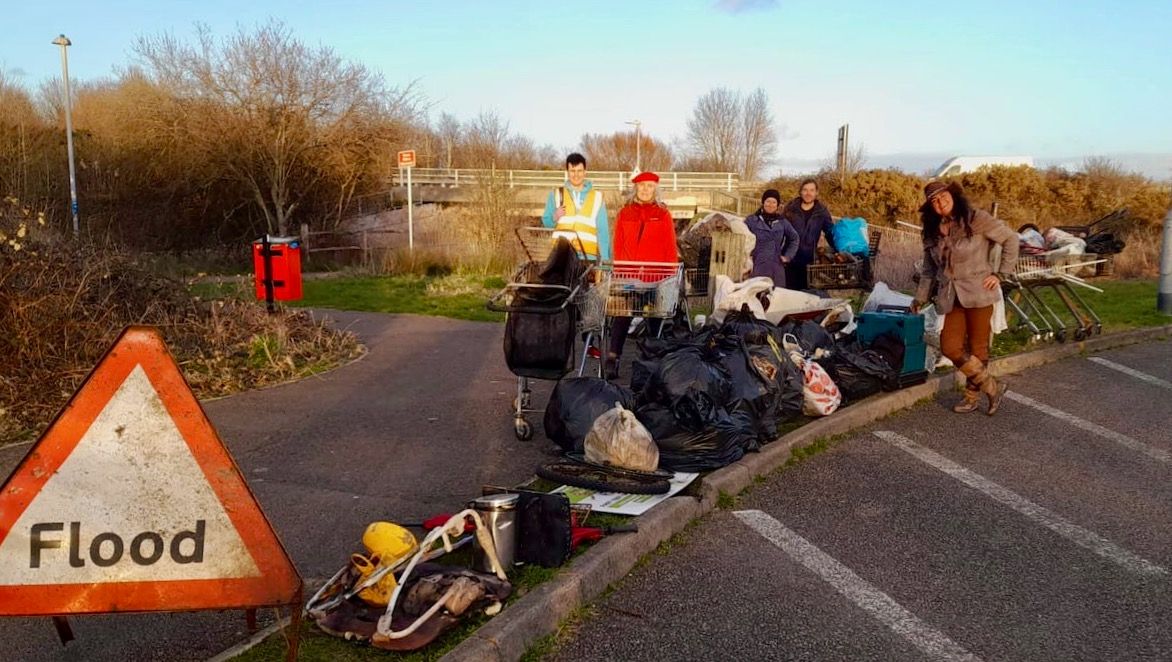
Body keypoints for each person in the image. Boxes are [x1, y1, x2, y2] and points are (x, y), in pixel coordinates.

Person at [912, 181, 1019, 414]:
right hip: (950, 296)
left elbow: (1011, 239)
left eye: (943, 196)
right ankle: (993, 387)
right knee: (950, 347)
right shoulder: (931, 231)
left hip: (980, 291)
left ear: (953, 195)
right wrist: (919, 298)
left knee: (978, 347)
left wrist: (1001, 273)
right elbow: (929, 270)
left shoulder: (976, 219)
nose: (940, 202)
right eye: (934, 201)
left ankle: (971, 397)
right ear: (931, 207)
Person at [606, 171, 678, 380]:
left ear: (655, 189)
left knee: (654, 317)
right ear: (635, 187)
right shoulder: (625, 213)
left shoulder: (663, 214)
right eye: (642, 185)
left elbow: (669, 245)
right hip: (629, 274)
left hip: (656, 274)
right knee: (622, 315)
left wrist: (670, 276)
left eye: (650, 186)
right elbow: (618, 244)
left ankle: (651, 359)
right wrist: (620, 270)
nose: (646, 190)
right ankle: (613, 357)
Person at [541, 153, 610, 264]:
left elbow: (603, 231)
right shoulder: (555, 194)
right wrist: (554, 217)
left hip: (588, 258)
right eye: (572, 171)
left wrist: (605, 259)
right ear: (567, 172)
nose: (576, 175)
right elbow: (547, 223)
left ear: (585, 171)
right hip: (560, 256)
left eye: (579, 171)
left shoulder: (597, 197)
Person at [782, 179, 837, 291]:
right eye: (805, 190)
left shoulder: (821, 211)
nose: (808, 193)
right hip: (789, 259)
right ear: (800, 192)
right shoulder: (790, 209)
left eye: (812, 190)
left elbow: (830, 232)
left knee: (805, 295)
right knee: (788, 293)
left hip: (809, 261)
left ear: (816, 193)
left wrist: (839, 249)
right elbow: (780, 230)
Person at [745, 189, 799, 288]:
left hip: (776, 266)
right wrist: (747, 258)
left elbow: (794, 238)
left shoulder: (782, 222)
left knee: (777, 296)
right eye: (768, 201)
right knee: (756, 295)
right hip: (757, 265)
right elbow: (742, 237)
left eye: (774, 202)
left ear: (777, 205)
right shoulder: (752, 220)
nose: (771, 205)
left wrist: (787, 256)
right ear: (763, 202)